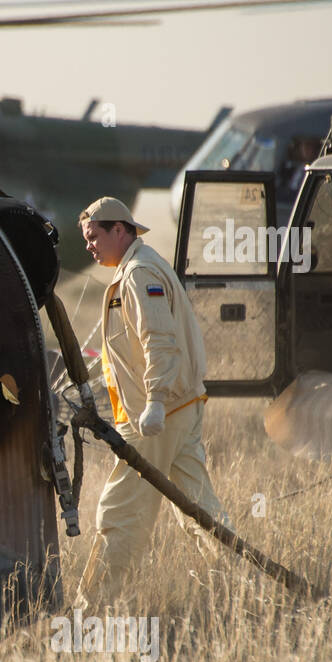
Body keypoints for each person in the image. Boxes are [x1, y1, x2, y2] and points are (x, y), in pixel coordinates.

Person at [74, 197, 229, 606]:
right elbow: (127, 349)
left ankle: (91, 608)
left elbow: (159, 340)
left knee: (119, 512)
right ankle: (234, 589)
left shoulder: (139, 274)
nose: (89, 246)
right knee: (200, 511)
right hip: (175, 409)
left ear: (119, 230)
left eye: (94, 237)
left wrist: (155, 401)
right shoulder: (134, 269)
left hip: (157, 416)